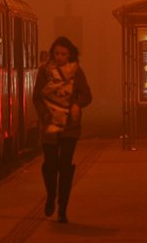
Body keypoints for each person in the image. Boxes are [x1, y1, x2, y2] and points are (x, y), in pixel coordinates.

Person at [32, 36, 92, 223]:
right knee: (50, 165)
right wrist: (44, 114)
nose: (60, 57)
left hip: (69, 128)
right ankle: (51, 195)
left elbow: (87, 96)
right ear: (52, 54)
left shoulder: (77, 72)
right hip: (50, 125)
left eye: (64, 54)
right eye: (57, 53)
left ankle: (62, 209)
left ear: (70, 55)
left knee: (65, 167)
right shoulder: (44, 72)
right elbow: (37, 97)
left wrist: (77, 105)